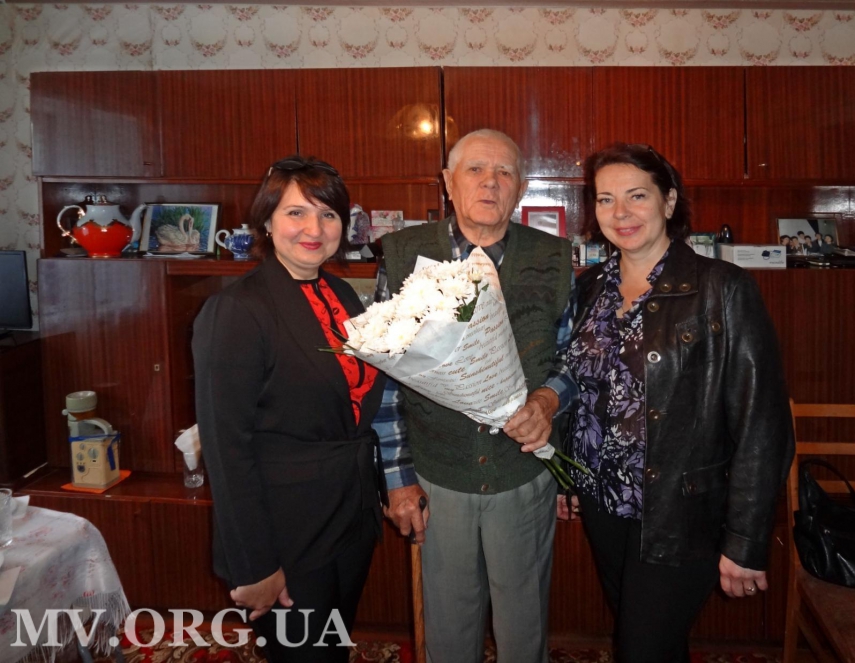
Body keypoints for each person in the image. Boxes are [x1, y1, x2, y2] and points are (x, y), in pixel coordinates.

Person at [562, 143, 794, 662]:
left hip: (679, 510)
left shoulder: (722, 288)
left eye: (637, 196)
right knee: (654, 643)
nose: (620, 213)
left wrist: (746, 539)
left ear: (668, 202)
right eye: (605, 199)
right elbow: (578, 389)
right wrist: (567, 477)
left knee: (641, 649)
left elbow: (763, 422)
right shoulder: (589, 288)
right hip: (602, 502)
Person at [377, 129, 576, 663]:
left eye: (504, 172)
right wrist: (397, 480)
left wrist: (547, 402)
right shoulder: (402, 254)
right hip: (437, 478)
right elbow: (386, 378)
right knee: (448, 630)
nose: (490, 182)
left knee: (524, 629)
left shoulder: (554, 258)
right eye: (475, 170)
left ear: (521, 187)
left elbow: (574, 360)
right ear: (448, 182)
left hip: (523, 476)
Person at [193, 156, 389, 663]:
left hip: (349, 515)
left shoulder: (342, 294)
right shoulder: (237, 309)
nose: (314, 229)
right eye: (296, 213)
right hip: (286, 532)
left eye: (328, 214)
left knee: (333, 650)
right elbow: (225, 448)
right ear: (266, 221)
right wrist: (254, 564)